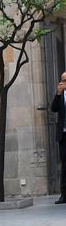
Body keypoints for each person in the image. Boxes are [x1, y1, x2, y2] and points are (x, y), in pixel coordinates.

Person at [50, 71, 66, 204]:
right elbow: (53, 109)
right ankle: (64, 195)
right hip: (64, 136)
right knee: (65, 166)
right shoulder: (60, 95)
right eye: (64, 80)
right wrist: (58, 93)